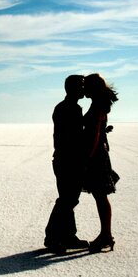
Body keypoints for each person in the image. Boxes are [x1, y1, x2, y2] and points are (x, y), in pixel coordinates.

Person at [44, 75, 89, 253]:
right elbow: (72, 137)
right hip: (67, 160)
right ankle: (53, 237)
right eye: (81, 86)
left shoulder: (68, 107)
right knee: (67, 200)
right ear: (72, 88)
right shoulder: (68, 108)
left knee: (69, 199)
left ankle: (68, 236)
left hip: (67, 159)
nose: (84, 89)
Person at [83, 73, 119, 252]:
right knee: (100, 195)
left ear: (92, 88)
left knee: (100, 195)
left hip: (96, 156)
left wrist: (88, 157)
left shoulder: (97, 105)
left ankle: (106, 235)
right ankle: (106, 234)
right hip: (98, 153)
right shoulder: (99, 103)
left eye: (85, 85)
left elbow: (95, 133)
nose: (83, 89)